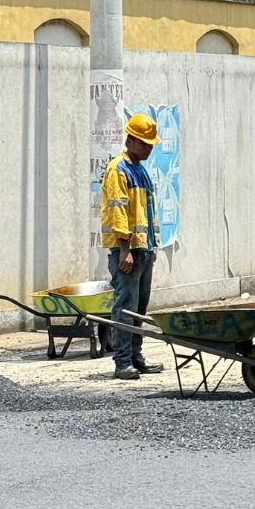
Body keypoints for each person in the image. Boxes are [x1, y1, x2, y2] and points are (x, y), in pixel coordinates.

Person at [100, 113, 164, 380]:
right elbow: (118, 211)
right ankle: (122, 361)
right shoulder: (119, 169)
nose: (148, 149)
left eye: (150, 145)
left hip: (143, 248)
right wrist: (124, 249)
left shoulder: (139, 169)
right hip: (128, 250)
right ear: (130, 140)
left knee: (139, 307)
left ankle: (136, 356)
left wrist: (152, 246)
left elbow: (146, 212)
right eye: (144, 144)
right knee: (125, 306)